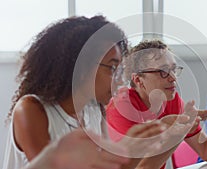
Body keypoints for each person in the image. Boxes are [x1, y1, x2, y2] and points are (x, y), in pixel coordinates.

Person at [3, 15, 168, 169]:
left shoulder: (94, 110)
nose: (119, 80)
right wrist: (124, 152)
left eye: (120, 70)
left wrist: (136, 151)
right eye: (112, 68)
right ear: (82, 65)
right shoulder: (30, 110)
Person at [106, 39, 207, 169]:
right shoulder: (122, 107)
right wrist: (175, 135)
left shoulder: (171, 100)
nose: (173, 78)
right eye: (163, 71)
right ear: (138, 80)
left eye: (174, 70)